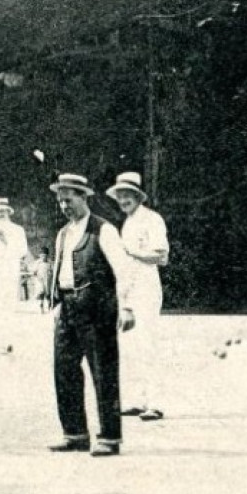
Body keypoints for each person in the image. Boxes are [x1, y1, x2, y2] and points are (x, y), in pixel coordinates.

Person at [46, 173, 135, 458]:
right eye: (60, 201)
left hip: (98, 309)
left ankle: (109, 437)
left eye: (69, 199)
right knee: (64, 370)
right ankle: (75, 434)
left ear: (84, 197)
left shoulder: (103, 230)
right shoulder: (63, 233)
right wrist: (55, 300)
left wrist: (127, 306)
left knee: (103, 372)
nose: (64, 206)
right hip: (68, 308)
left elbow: (123, 271)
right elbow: (61, 269)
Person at [107, 172, 170, 422]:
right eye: (119, 196)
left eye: (127, 195)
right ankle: (137, 400)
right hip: (128, 287)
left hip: (145, 286)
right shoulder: (128, 223)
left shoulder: (152, 219)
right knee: (130, 344)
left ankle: (155, 403)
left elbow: (160, 256)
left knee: (147, 343)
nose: (123, 200)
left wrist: (130, 252)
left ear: (137, 196)